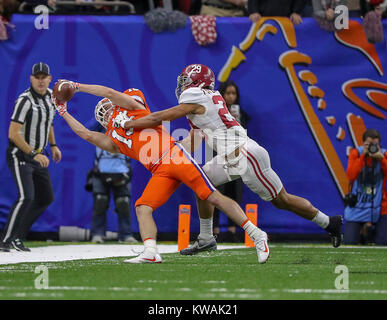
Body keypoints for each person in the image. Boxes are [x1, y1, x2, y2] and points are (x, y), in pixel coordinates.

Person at [123, 64, 343, 254]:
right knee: (202, 182)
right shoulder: (205, 99)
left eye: (186, 81)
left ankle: (328, 222)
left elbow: (159, 117)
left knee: (281, 200)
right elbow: (193, 138)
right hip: (231, 158)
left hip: (246, 155)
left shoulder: (195, 97)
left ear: (198, 83)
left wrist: (129, 124)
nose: (183, 86)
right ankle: (207, 238)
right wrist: (171, 157)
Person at [52, 81, 270, 264]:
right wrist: (63, 112)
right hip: (159, 170)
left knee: (212, 196)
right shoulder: (113, 139)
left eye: (109, 107)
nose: (107, 111)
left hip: (174, 155)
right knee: (143, 207)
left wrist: (77, 86)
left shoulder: (135, 110)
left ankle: (256, 234)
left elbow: (109, 93)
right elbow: (87, 134)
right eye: (104, 112)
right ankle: (150, 251)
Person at [0, 62, 61, 252]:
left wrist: (53, 145)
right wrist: (33, 153)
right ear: (31, 78)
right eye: (37, 77)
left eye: (44, 77)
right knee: (26, 196)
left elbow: (48, 122)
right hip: (20, 154)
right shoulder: (25, 100)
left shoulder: (52, 97)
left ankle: (18, 236)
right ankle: (6, 240)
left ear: (50, 79)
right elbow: (13, 133)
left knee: (46, 197)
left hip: (38, 156)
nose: (41, 81)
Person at [213, 81, 248, 242]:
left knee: (234, 194)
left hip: (236, 158)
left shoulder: (242, 115)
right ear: (222, 95)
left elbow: (244, 137)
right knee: (216, 193)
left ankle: (233, 231)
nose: (231, 97)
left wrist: (237, 121)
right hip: (217, 156)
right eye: (228, 93)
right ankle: (215, 231)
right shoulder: (214, 113)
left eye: (233, 93)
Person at [88, 136, 138, 244]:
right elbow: (89, 130)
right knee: (100, 201)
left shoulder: (126, 131)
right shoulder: (99, 130)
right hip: (101, 172)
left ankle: (126, 235)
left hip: (121, 172)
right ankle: (97, 234)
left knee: (123, 202)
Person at [343, 129, 387, 245]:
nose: (372, 147)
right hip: (358, 206)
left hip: (380, 207)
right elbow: (351, 175)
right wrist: (363, 156)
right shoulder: (356, 153)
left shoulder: (384, 154)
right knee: (349, 243)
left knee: (383, 244)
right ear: (363, 144)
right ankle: (363, 233)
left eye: (375, 145)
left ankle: (368, 231)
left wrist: (381, 159)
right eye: (369, 144)